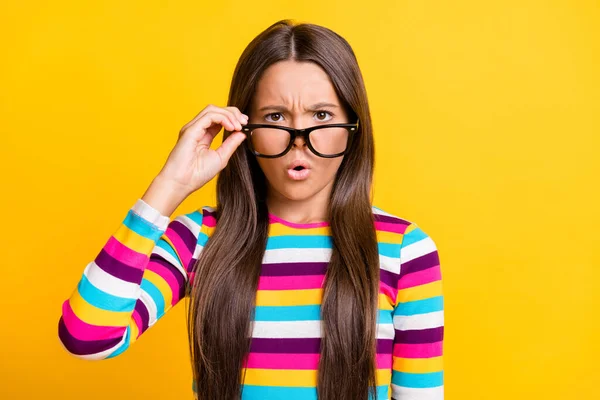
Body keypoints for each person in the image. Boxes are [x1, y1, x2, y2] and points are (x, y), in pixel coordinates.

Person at [58, 19, 444, 400]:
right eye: (275, 117)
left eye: (321, 116)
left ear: (352, 125)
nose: (299, 142)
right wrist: (169, 186)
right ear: (245, 128)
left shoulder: (405, 249)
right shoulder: (200, 239)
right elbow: (87, 337)